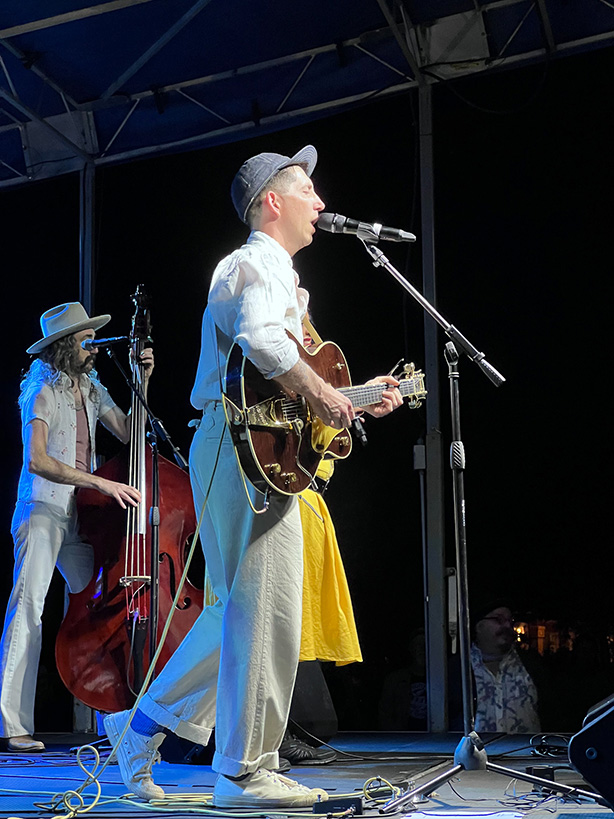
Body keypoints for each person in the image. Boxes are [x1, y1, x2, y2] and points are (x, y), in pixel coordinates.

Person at [104, 145, 403, 808]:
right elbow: (263, 344)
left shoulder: (280, 275)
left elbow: (280, 381)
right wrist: (327, 398)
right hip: (240, 447)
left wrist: (354, 397)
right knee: (264, 605)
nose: (321, 204)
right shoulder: (252, 262)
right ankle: (244, 769)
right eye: (309, 191)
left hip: (247, 442)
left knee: (236, 609)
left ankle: (140, 725)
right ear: (273, 200)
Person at [0, 302, 154, 752]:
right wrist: (101, 484)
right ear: (66, 346)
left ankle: (105, 712)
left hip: (77, 516)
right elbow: (38, 460)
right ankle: (12, 725)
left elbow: (130, 432)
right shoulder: (39, 390)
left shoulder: (91, 388)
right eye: (86, 341)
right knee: (29, 608)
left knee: (96, 607)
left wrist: (142, 380)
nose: (94, 347)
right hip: (43, 510)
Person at [470, 600, 541, 733]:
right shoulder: (458, 669)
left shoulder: (531, 663)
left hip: (526, 752)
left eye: (510, 620)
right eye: (499, 619)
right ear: (479, 626)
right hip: (476, 753)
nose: (508, 625)